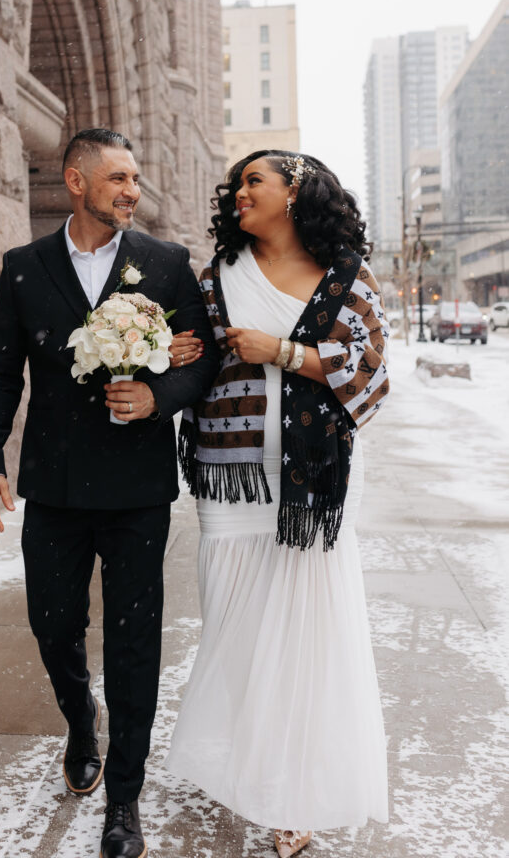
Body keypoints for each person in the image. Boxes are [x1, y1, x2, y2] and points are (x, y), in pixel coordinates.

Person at [0, 128, 218, 858]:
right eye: (116, 178)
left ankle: (124, 801)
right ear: (75, 182)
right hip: (54, 485)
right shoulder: (24, 268)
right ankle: (81, 721)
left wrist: (157, 395)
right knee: (53, 626)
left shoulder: (167, 266)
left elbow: (201, 365)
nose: (131, 190)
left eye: (134, 178)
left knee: (134, 643)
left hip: (137, 488)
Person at [165, 149, 390, 857]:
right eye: (234, 185)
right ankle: (245, 762)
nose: (238, 193)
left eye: (252, 181)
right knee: (236, 629)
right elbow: (201, 360)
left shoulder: (347, 278)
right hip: (230, 480)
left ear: (295, 192)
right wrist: (171, 353)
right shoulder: (215, 276)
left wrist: (283, 352)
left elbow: (370, 369)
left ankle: (295, 795)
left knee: (305, 638)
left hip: (313, 486)